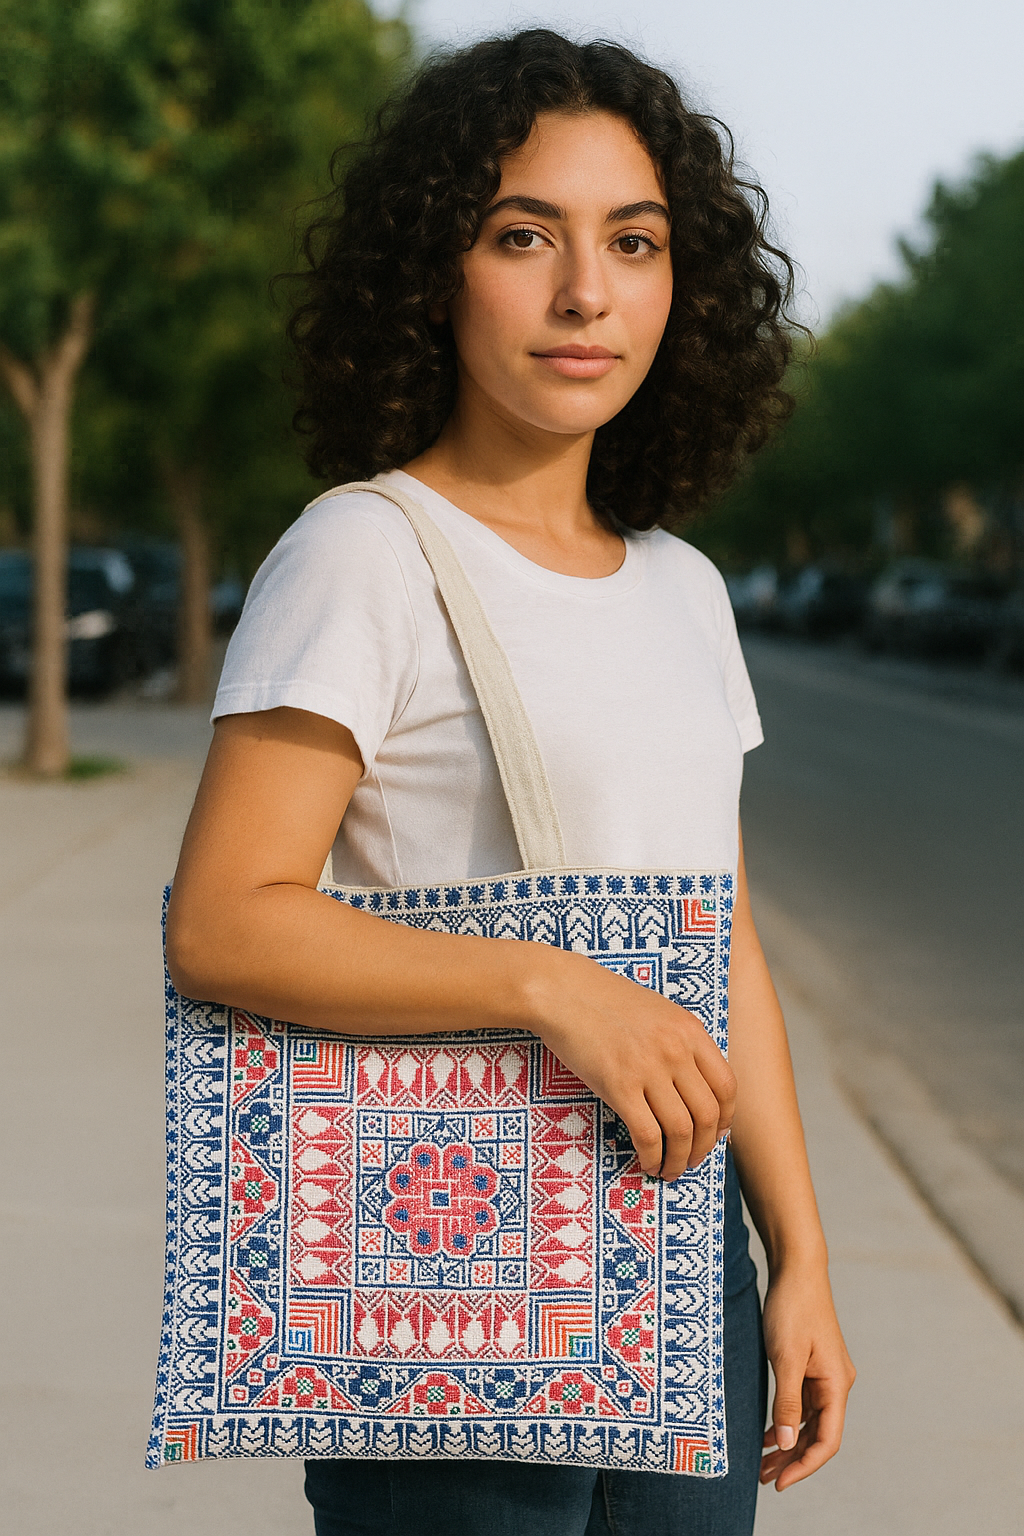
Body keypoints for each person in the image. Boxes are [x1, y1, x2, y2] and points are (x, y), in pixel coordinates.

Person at [166, 29, 855, 1536]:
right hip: (448, 1258)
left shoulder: (686, 589)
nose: (585, 293)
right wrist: (559, 990)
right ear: (435, 267)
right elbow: (223, 922)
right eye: (522, 235)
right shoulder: (365, 552)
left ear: (690, 286)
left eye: (635, 242)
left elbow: (721, 938)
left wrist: (795, 1255)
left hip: (689, 1274)